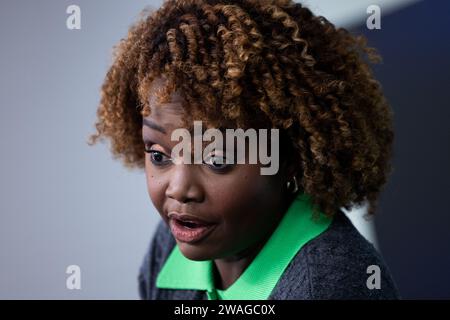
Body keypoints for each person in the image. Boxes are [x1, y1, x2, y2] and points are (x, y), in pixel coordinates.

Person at [88, 0, 399, 299]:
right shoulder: (172, 245)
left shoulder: (330, 285)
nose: (179, 189)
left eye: (217, 158)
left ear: (287, 157)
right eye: (159, 155)